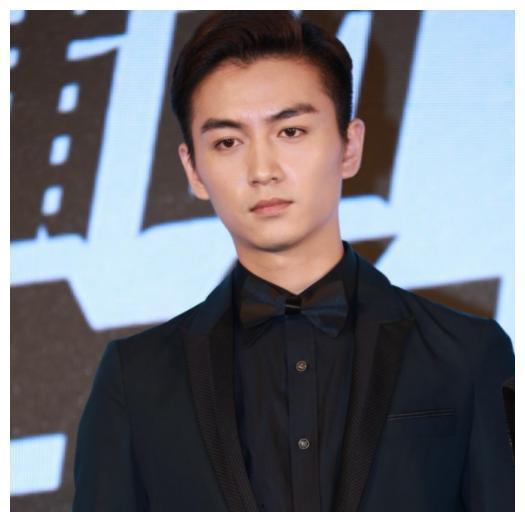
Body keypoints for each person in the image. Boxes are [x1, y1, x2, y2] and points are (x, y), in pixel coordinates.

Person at [72, 11, 514, 512]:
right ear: (193, 170)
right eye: (227, 142)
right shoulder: (136, 382)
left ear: (349, 146)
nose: (262, 170)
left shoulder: (467, 355)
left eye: (291, 132)